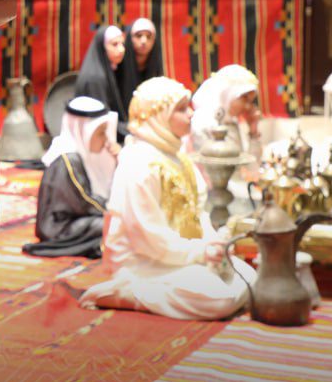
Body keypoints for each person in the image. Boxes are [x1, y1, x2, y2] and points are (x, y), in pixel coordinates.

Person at [80, 77, 255, 321]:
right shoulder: (138, 163)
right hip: (144, 263)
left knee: (250, 278)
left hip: (180, 255)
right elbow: (148, 239)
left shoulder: (179, 158)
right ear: (158, 116)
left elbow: (196, 215)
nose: (191, 114)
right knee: (219, 298)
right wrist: (200, 253)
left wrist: (213, 243)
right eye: (181, 109)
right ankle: (128, 291)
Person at [23, 96, 119, 258]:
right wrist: (114, 211)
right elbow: (84, 201)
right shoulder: (68, 159)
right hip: (58, 227)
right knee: (110, 225)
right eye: (101, 133)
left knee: (114, 224)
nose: (106, 140)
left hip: (76, 217)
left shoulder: (78, 154)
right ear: (84, 132)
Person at [189, 64, 262, 161]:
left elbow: (251, 166)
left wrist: (253, 131)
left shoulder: (231, 122)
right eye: (244, 99)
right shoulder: (202, 122)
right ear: (226, 93)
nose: (247, 107)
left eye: (250, 101)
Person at [74, 25, 129, 142]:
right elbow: (100, 120)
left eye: (122, 44)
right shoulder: (95, 78)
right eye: (115, 44)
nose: (121, 49)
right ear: (102, 47)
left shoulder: (107, 70)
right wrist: (129, 129)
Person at [119, 17, 163, 117]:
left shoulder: (156, 66)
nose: (144, 41)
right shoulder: (119, 65)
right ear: (130, 38)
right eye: (138, 36)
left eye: (149, 37)